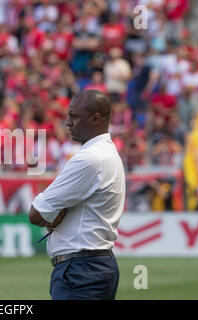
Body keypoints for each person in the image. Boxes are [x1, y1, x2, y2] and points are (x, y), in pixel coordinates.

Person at [29, 90, 126, 300]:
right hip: (94, 266)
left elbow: (36, 214)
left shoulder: (89, 159)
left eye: (74, 116)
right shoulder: (108, 153)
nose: (68, 123)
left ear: (96, 118)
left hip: (80, 271)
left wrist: (53, 215)